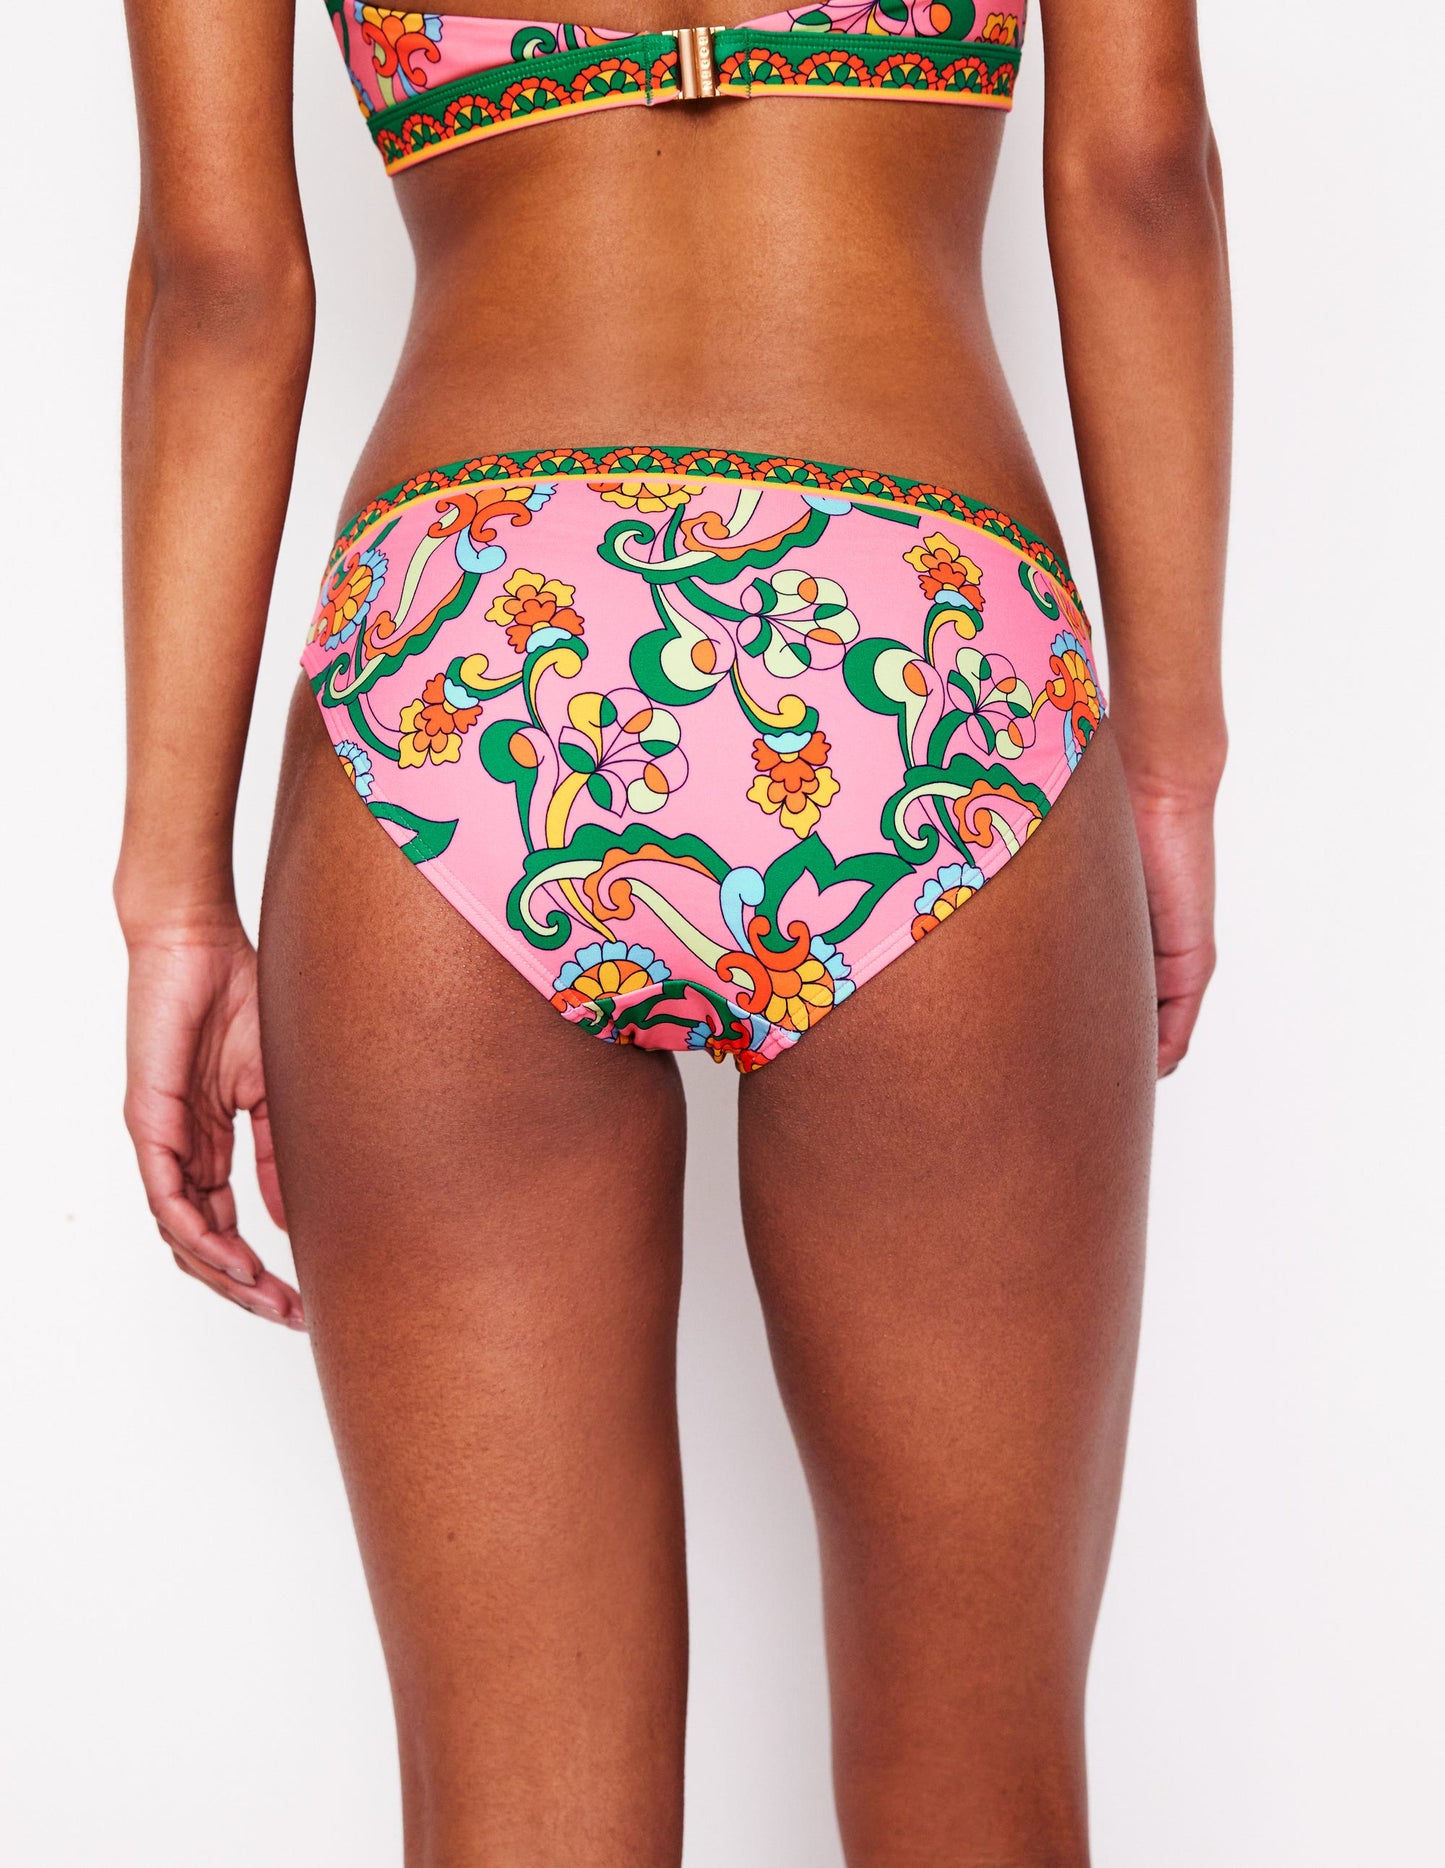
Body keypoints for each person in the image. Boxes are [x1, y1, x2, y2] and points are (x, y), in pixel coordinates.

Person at [117, 0, 1229, 1858]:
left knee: (514, 1814)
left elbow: (220, 280)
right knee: (984, 1792)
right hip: (925, 650)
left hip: (466, 659)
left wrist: (174, 893)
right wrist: (1169, 766)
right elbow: (1135, 172)